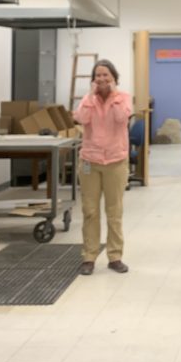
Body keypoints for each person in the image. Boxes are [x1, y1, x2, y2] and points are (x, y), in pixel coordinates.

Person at [73, 59, 132, 276]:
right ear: (93, 79)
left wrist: (114, 96)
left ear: (114, 78)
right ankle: (89, 256)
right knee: (89, 211)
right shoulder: (87, 100)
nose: (102, 79)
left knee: (114, 211)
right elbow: (81, 118)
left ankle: (115, 256)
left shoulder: (123, 98)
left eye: (106, 75)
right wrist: (90, 96)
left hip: (115, 161)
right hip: (90, 161)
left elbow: (121, 118)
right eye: (98, 75)